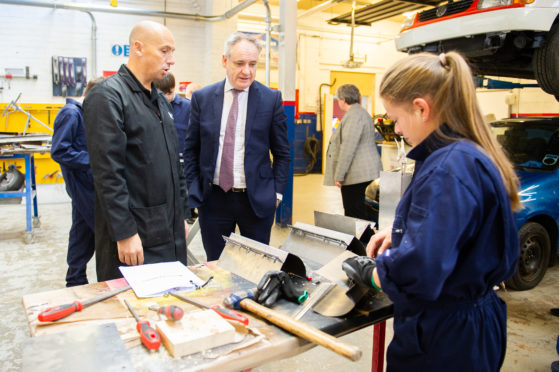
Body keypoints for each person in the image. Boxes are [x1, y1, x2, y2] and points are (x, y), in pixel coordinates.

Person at [342, 52, 521, 371]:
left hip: (446, 338)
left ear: (421, 108)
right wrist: (406, 234)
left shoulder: (447, 170)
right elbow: (458, 236)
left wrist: (372, 272)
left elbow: (420, 272)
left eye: (396, 119)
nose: (396, 130)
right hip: (469, 325)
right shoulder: (465, 154)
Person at [83, 20, 189, 282]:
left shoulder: (159, 102)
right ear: (138, 48)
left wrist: (182, 216)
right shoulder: (108, 97)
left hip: (169, 231)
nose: (171, 60)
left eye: (172, 52)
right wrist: (125, 233)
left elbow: (175, 165)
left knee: (168, 308)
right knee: (132, 314)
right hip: (136, 237)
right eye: (165, 51)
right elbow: (108, 174)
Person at [183, 32, 289, 261]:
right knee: (217, 266)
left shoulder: (271, 99)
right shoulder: (203, 98)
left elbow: (282, 153)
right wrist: (194, 188)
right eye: (240, 63)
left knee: (255, 267)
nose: (247, 71)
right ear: (224, 60)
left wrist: (276, 194)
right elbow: (191, 149)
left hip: (257, 201)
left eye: (253, 64)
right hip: (213, 200)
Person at [51, 77, 103, 287]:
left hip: (89, 182)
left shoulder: (83, 114)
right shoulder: (71, 113)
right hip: (80, 182)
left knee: (82, 229)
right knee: (98, 228)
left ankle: (75, 278)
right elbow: (60, 150)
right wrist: (94, 161)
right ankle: (76, 277)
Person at [324, 84, 382, 220]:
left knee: (354, 213)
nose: (338, 102)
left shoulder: (354, 116)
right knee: (359, 211)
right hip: (363, 174)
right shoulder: (359, 113)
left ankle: (359, 241)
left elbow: (348, 148)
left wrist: (339, 175)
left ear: (343, 99)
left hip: (358, 176)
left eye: (338, 99)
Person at [154, 73, 195, 224]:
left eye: (169, 93)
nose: (165, 97)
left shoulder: (187, 107)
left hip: (183, 159)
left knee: (183, 192)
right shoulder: (152, 105)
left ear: (174, 89)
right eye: (161, 93)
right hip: (161, 161)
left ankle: (186, 215)